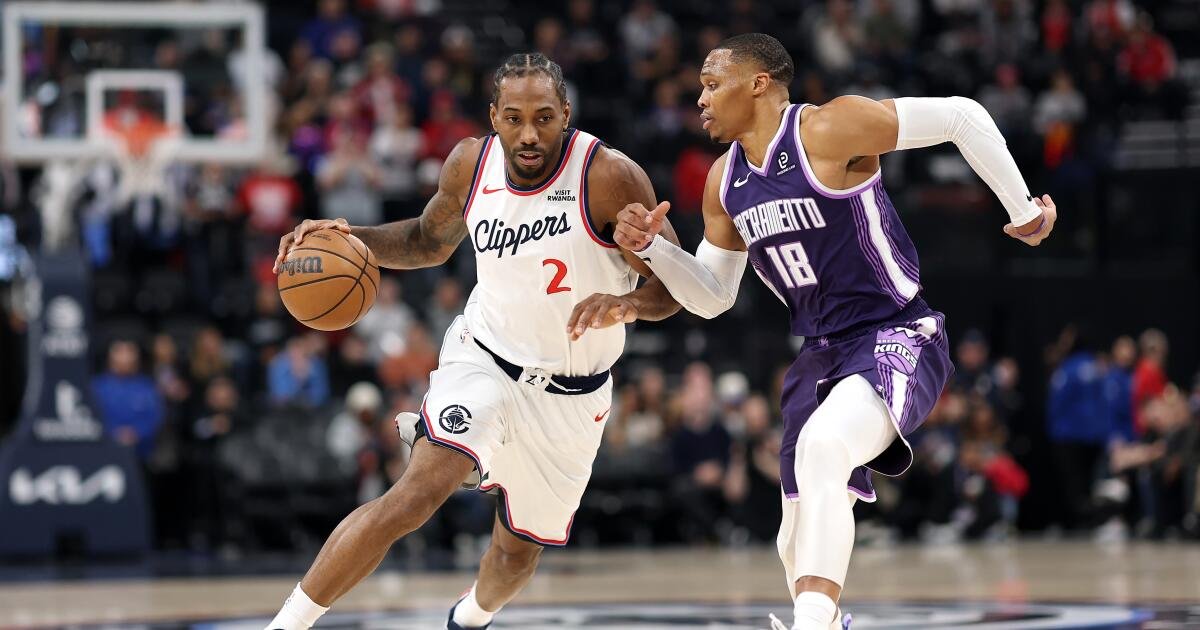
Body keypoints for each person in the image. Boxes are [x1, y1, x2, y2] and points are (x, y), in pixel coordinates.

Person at [613, 33, 1057, 630]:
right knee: (792, 541)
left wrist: (1022, 208)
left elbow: (962, 116)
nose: (701, 98)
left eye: (713, 83)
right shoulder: (724, 181)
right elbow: (715, 297)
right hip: (819, 354)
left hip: (895, 329)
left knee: (824, 450)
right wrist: (657, 253)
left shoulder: (827, 129)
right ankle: (827, 620)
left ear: (759, 84)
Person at [264, 53, 680, 630]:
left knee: (514, 557)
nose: (528, 133)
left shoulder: (608, 176)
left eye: (543, 118)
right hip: (483, 359)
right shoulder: (469, 164)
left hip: (572, 398)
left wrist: (629, 302)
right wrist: (349, 240)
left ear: (566, 114)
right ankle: (286, 624)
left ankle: (469, 617)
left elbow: (676, 284)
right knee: (413, 496)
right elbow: (426, 241)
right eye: (513, 118)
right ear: (493, 117)